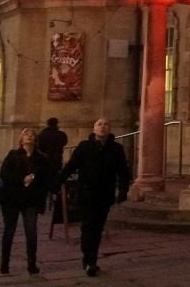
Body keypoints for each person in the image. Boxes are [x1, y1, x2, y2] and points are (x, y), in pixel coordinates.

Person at [59, 118, 130, 277]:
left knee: (97, 228)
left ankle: (92, 260)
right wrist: (59, 181)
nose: (102, 127)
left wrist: (123, 190)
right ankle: (88, 260)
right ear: (94, 129)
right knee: (87, 226)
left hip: (104, 194)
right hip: (86, 193)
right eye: (99, 124)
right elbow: (71, 165)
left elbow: (123, 171)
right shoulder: (84, 147)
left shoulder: (116, 149)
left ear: (109, 129)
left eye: (106, 124)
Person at [0, 127, 54, 275]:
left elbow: (46, 179)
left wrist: (36, 181)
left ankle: (32, 265)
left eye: (32, 135)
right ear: (21, 140)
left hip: (31, 200)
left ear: (35, 139)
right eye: (26, 134)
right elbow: (4, 174)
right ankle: (4, 264)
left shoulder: (41, 158)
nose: (29, 136)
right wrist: (22, 179)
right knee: (9, 230)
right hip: (11, 199)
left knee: (31, 232)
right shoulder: (13, 155)